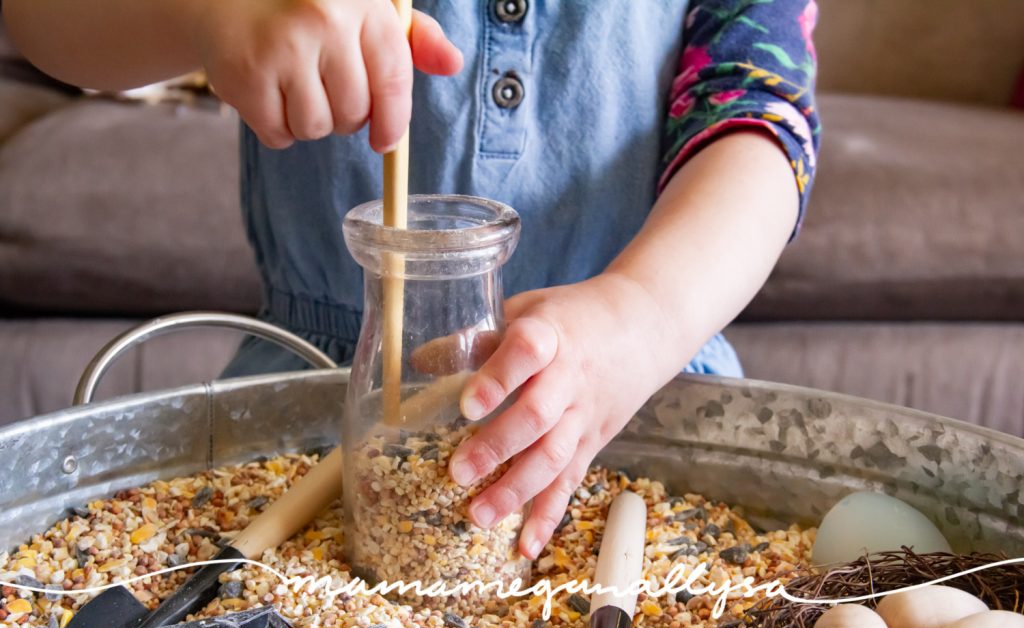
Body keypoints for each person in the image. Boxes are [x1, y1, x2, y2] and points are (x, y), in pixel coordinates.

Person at [4, 0, 819, 560]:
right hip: (314, 396)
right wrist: (212, 10)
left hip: (641, 400)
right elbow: (46, 21)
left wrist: (640, 313)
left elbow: (761, 116)